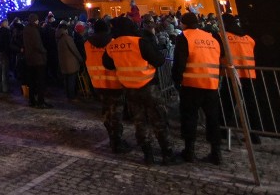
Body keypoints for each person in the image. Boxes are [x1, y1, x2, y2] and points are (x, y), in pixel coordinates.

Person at [103, 16, 174, 166]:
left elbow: (108, 64)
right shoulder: (139, 42)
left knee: (139, 122)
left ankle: (147, 154)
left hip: (130, 89)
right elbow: (159, 60)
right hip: (148, 86)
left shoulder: (112, 45)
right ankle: (167, 154)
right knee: (159, 120)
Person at [172, 12, 223, 165]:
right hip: (211, 83)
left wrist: (177, 80)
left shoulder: (184, 37)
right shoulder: (212, 36)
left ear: (184, 23)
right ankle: (216, 152)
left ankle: (189, 151)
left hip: (191, 84)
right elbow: (220, 56)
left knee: (189, 118)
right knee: (213, 119)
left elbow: (179, 61)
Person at [84, 19, 130, 154]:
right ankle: (117, 142)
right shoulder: (113, 42)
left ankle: (112, 138)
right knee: (116, 114)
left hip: (98, 83)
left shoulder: (87, 43)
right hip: (115, 83)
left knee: (106, 112)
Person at [220, 13, 261, 144]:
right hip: (249, 75)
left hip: (231, 75)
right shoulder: (248, 38)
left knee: (227, 105)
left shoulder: (223, 37)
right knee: (251, 105)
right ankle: (254, 134)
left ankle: (223, 132)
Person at [23, 13, 51, 109]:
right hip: (38, 59)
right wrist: (44, 51)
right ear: (35, 20)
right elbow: (37, 45)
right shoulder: (33, 30)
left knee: (32, 81)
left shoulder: (26, 29)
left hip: (29, 59)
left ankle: (32, 100)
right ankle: (40, 101)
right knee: (40, 81)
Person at [56, 21, 82, 101]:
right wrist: (80, 59)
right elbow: (74, 50)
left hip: (63, 63)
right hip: (71, 63)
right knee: (71, 81)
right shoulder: (67, 38)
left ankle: (68, 95)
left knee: (66, 80)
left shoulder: (58, 38)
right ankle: (72, 97)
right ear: (65, 29)